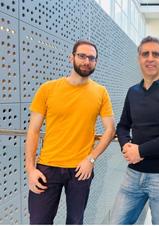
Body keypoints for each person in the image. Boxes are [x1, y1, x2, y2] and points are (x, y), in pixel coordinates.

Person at [25, 40, 115, 224]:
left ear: (96, 62)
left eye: (92, 58)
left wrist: (91, 159)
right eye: (82, 56)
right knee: (39, 221)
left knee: (75, 221)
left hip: (80, 170)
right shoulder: (47, 89)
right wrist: (30, 169)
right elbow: (33, 131)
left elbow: (110, 129)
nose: (86, 61)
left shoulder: (101, 92)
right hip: (47, 167)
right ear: (71, 57)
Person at [111, 36, 159, 225]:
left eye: (155, 54)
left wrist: (141, 151)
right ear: (139, 58)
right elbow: (122, 125)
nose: (150, 58)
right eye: (145, 54)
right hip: (134, 174)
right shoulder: (133, 92)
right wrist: (126, 146)